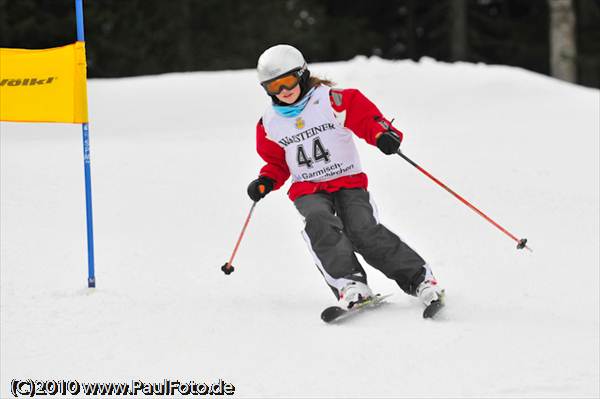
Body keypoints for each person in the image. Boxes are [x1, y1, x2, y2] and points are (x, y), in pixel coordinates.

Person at [247, 44, 444, 311]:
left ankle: (420, 279)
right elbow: (277, 162)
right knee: (319, 222)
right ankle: (349, 285)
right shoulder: (270, 123)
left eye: (288, 81)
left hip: (347, 181)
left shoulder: (332, 100)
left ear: (302, 74)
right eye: (274, 87)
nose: (284, 91)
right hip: (308, 188)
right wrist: (266, 180)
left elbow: (367, 119)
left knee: (362, 230)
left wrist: (382, 135)